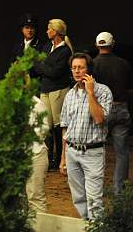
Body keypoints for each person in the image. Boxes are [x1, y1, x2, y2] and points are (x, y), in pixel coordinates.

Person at [59, 53, 112, 220]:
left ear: (89, 70)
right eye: (74, 68)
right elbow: (65, 128)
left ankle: (96, 228)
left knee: (94, 200)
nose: (76, 71)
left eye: (80, 67)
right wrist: (63, 158)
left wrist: (90, 93)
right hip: (72, 152)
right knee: (79, 198)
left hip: (93, 153)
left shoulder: (103, 91)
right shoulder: (70, 95)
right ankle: (86, 225)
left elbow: (99, 119)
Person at [92, 32, 132, 194]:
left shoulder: (93, 64)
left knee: (96, 151)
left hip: (101, 110)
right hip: (121, 108)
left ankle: (96, 189)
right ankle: (118, 190)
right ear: (112, 44)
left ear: (97, 45)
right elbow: (130, 89)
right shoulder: (124, 64)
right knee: (122, 152)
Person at [33, 19, 73, 170]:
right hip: (45, 89)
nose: (46, 31)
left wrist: (43, 67)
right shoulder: (47, 46)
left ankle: (59, 157)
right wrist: (44, 67)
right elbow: (38, 66)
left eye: (49, 29)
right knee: (46, 126)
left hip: (58, 90)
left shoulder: (65, 51)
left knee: (58, 126)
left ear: (55, 31)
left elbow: (54, 72)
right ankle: (48, 158)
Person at [27, 95, 50, 213]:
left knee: (35, 199)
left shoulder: (37, 104)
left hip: (35, 155)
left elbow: (43, 131)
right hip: (15, 157)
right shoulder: (6, 104)